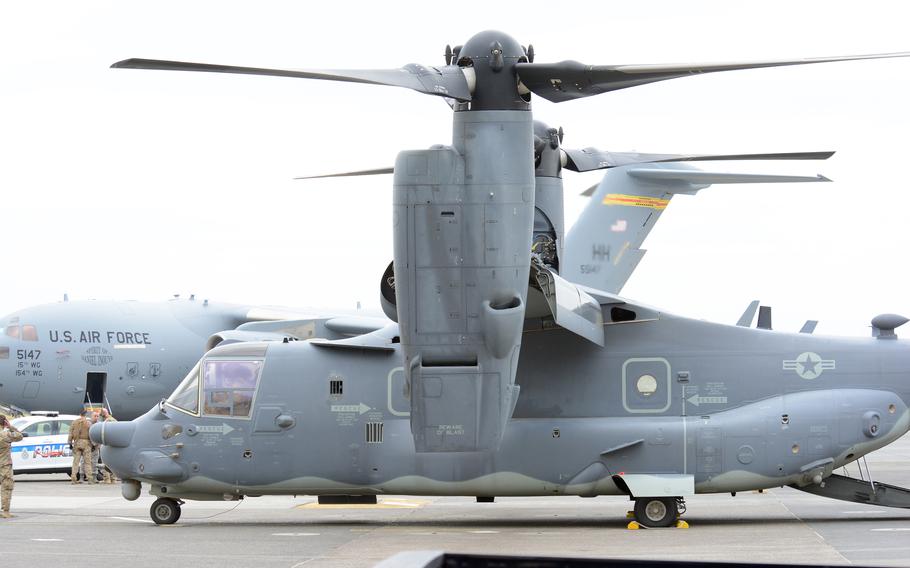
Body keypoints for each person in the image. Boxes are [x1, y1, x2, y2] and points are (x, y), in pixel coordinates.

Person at [0, 415, 23, 518]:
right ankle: (5, 511)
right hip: (4, 465)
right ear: (4, 422)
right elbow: (19, 436)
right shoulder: (5, 434)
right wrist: (11, 427)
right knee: (7, 487)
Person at [67, 411, 94, 484]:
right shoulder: (88, 423)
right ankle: (90, 479)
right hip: (86, 443)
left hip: (77, 443)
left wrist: (70, 443)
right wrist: (93, 444)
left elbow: (70, 433)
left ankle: (73, 478)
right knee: (87, 462)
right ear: (86, 415)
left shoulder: (74, 422)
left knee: (75, 462)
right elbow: (91, 434)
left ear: (80, 415)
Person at [98, 409, 117, 483]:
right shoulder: (114, 420)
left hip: (106, 444)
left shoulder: (106, 422)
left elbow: (103, 433)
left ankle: (107, 479)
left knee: (105, 462)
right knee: (113, 462)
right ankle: (113, 479)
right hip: (114, 444)